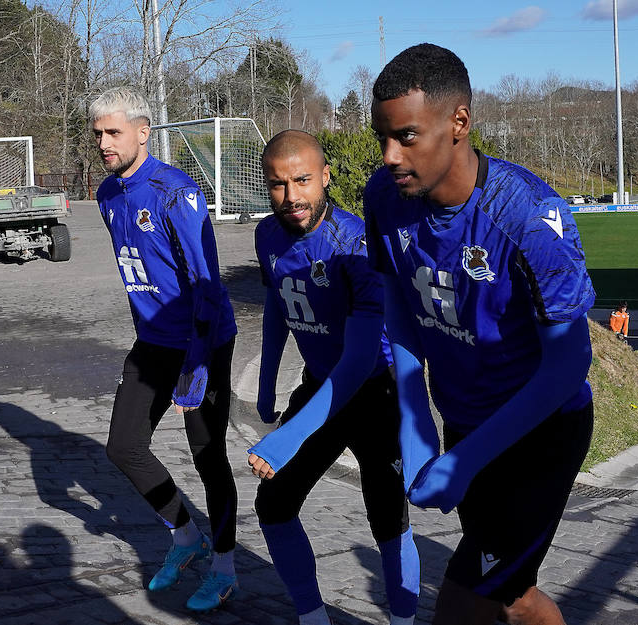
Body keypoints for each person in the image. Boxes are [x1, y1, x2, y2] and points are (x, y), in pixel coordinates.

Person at [363, 44, 596, 625]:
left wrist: (464, 460)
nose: (390, 156)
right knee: (512, 596)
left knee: (463, 603)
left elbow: (568, 366)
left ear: (459, 123)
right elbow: (399, 303)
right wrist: (417, 423)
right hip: (464, 419)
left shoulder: (528, 217)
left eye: (407, 136)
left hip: (540, 434)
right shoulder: (383, 198)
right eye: (382, 138)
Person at [247, 130, 420, 625]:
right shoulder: (266, 235)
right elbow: (279, 308)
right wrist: (265, 381)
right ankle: (312, 616)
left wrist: (286, 439)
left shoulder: (355, 244)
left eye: (302, 180)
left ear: (325, 176)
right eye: (278, 184)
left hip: (373, 392)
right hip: (318, 384)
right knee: (274, 505)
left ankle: (403, 620)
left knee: (388, 522)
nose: (291, 196)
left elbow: (361, 358)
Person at [90, 87, 240, 612]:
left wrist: (198, 364)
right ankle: (184, 535)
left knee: (208, 457)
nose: (104, 143)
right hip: (153, 341)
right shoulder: (109, 195)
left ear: (142, 131)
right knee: (123, 446)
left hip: (203, 343)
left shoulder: (175, 192)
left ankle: (224, 567)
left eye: (114, 132)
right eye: (98, 134)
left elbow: (206, 285)